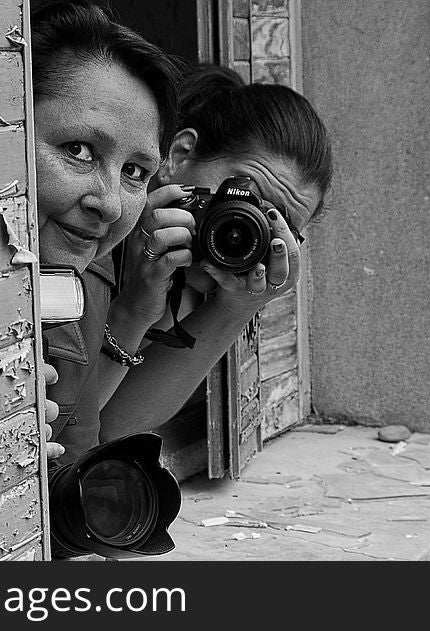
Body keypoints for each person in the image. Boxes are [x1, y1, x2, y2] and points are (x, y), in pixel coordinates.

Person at [60, 62, 334, 459]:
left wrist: (238, 306)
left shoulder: (202, 287)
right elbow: (75, 429)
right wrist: (135, 305)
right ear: (180, 154)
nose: (246, 226)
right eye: (247, 193)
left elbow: (117, 424)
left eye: (275, 223)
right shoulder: (92, 229)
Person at [27, 1, 184, 461]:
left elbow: (75, 467)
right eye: (78, 150)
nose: (111, 204)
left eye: (135, 171)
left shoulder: (83, 287)